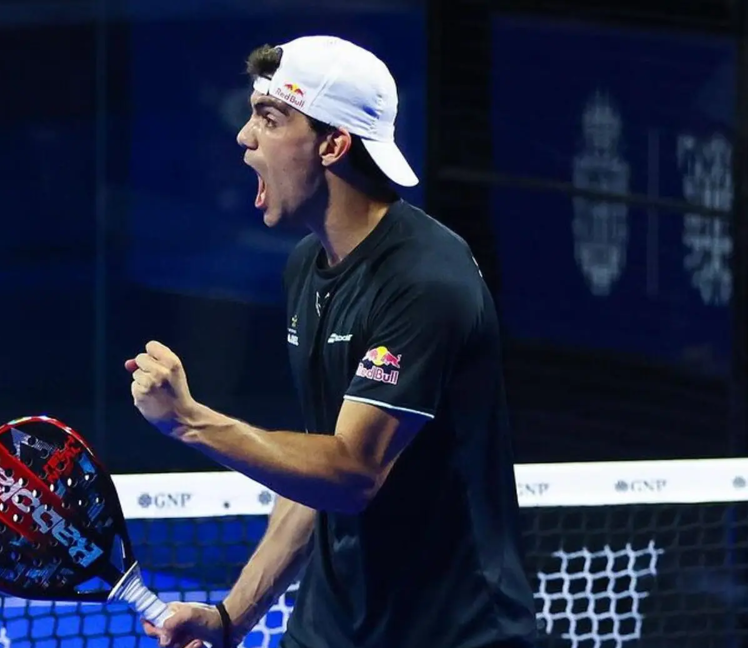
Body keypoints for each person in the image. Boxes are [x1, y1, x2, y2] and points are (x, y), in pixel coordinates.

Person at [125, 35, 538, 648]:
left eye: (269, 118)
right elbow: (314, 473)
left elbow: (350, 473)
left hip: (452, 635)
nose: (244, 137)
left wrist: (189, 422)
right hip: (330, 631)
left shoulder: (424, 280)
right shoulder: (306, 269)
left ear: (334, 144)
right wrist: (230, 619)